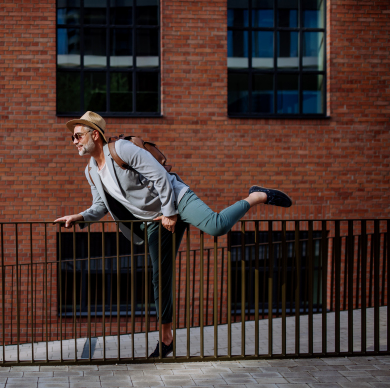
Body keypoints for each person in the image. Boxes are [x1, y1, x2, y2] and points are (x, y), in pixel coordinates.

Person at [54, 111, 293, 358]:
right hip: (156, 220)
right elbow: (100, 206)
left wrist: (170, 212)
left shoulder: (121, 149)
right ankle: (166, 340)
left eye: (78, 136)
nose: (74, 141)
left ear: (95, 134)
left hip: (176, 199)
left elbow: (159, 175)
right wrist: (79, 217)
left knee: (216, 226)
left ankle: (255, 196)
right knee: (161, 276)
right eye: (72, 138)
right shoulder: (91, 171)